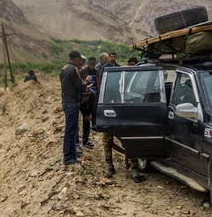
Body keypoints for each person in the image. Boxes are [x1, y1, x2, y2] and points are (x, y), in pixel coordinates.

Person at [101, 53, 146, 183]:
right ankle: (132, 171)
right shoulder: (128, 76)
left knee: (125, 140)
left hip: (117, 112)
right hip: (122, 112)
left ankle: (129, 170)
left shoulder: (125, 76)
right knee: (116, 139)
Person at [59, 51, 92, 165]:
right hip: (72, 102)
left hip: (66, 101)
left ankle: (71, 153)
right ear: (77, 58)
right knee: (71, 130)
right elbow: (80, 86)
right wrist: (87, 80)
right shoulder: (73, 69)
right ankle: (68, 156)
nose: (80, 62)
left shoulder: (64, 68)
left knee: (71, 129)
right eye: (80, 60)